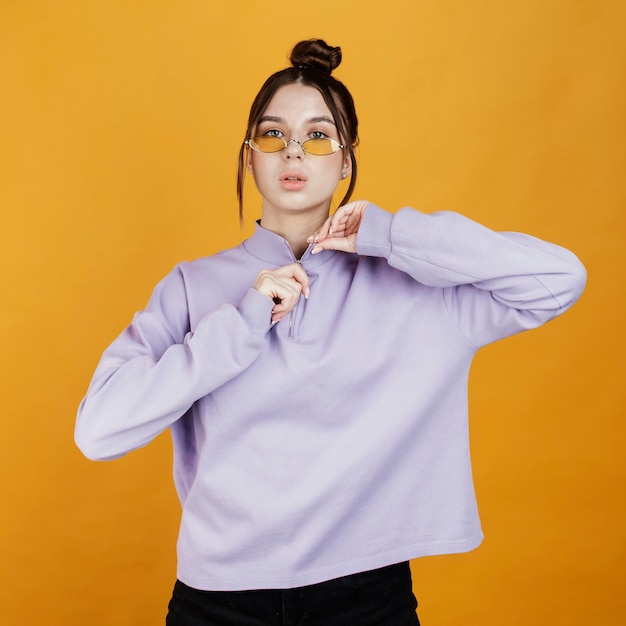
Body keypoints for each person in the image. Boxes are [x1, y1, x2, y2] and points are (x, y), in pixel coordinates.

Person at [75, 39, 586, 625]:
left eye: (318, 136)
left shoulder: (414, 286)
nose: (294, 151)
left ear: (347, 161)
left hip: (366, 598)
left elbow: (558, 279)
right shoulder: (193, 287)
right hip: (218, 601)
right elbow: (98, 431)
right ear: (250, 157)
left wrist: (393, 236)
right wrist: (241, 324)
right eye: (273, 135)